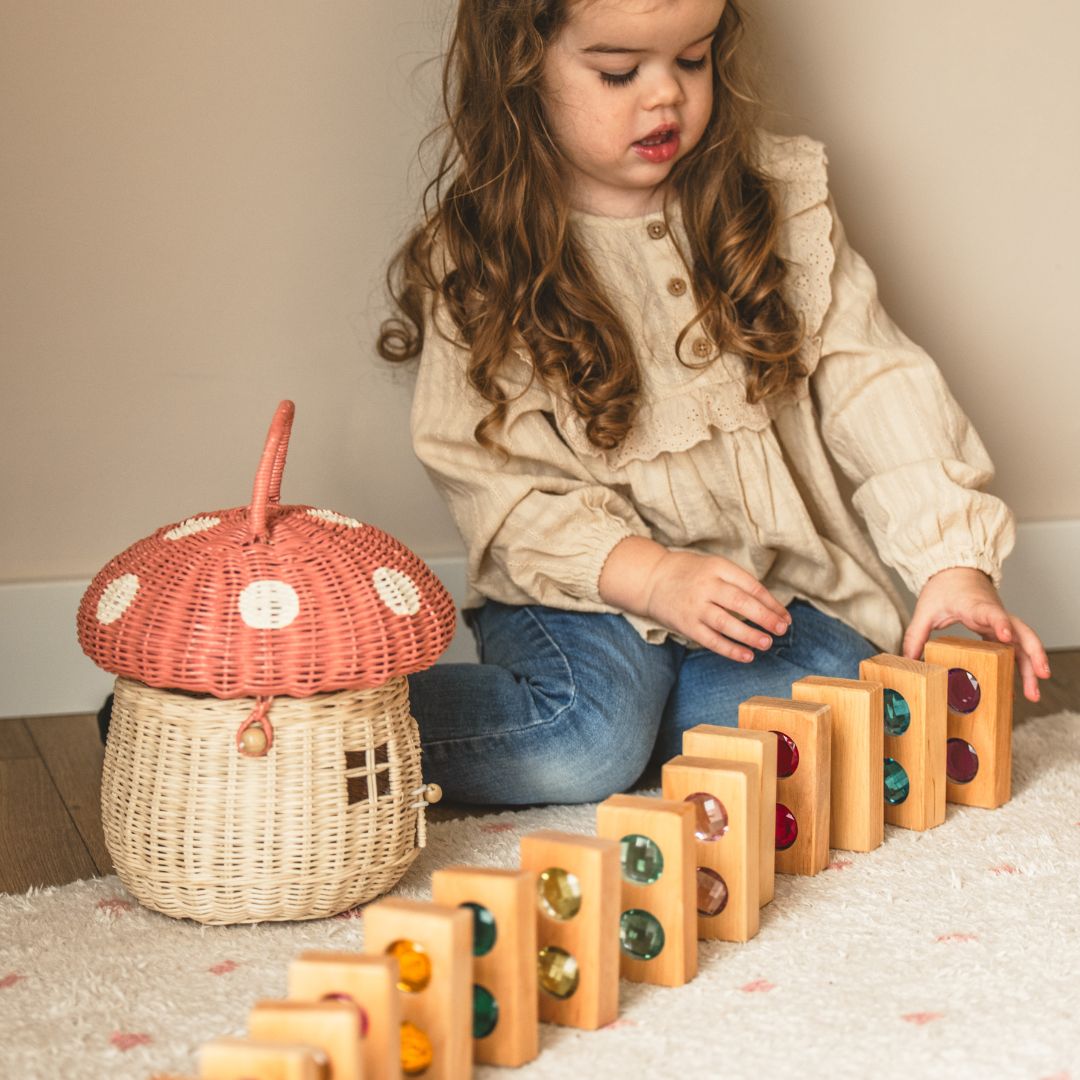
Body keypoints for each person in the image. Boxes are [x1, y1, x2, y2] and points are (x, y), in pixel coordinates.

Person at [376, 0, 1050, 806]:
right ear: (521, 69)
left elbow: (875, 383)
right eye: (620, 72)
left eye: (691, 60)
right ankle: (331, 738)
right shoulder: (480, 257)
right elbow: (497, 489)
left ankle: (661, 728)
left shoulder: (775, 201)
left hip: (770, 591)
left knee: (829, 722)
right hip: (589, 598)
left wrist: (953, 561)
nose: (665, 97)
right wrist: (653, 578)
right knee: (586, 744)